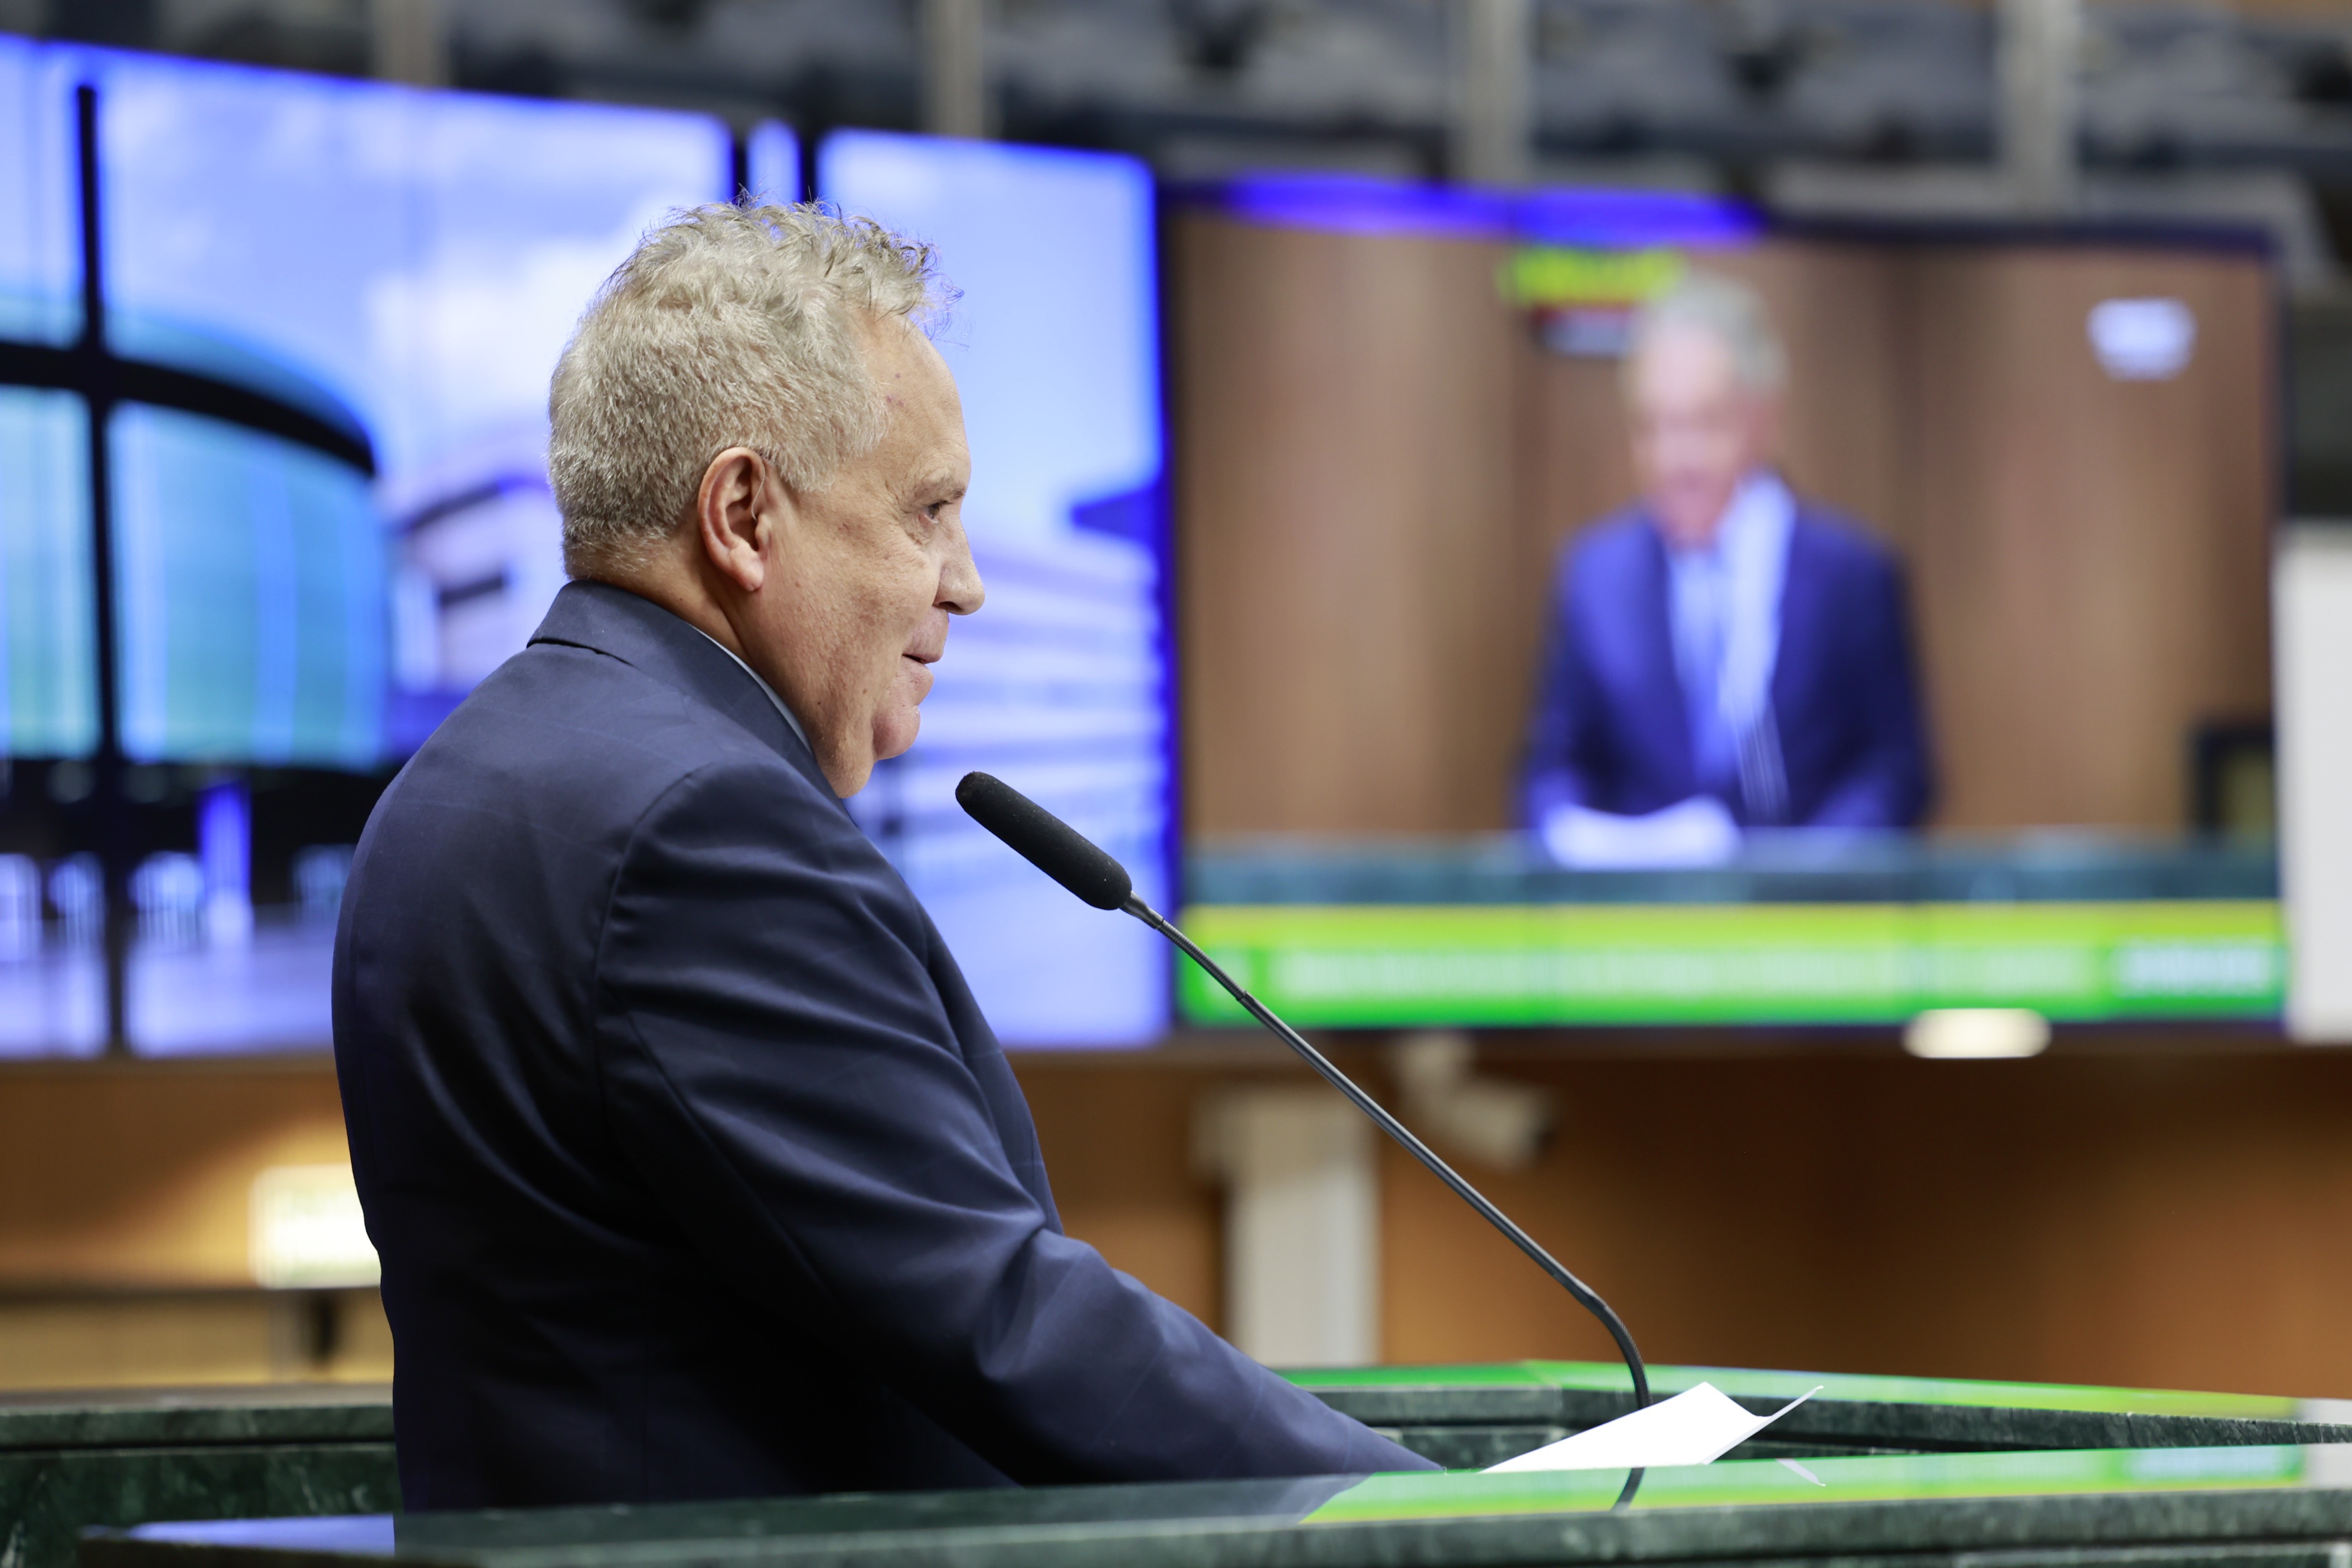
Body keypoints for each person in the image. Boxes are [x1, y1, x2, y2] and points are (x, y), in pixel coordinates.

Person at [333, 205, 1432, 1511]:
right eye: (929, 511)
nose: (964, 583)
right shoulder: (701, 828)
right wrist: (1449, 1516)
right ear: (744, 514)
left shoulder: (453, 783)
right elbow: (1004, 1319)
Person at [1521, 271, 1932, 866]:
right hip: (1641, 914)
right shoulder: (1595, 580)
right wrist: (1576, 839)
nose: (1674, 458)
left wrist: (1803, 875)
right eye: (1652, 426)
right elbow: (1551, 772)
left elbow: (1895, 776)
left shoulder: (1852, 577)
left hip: (1806, 914)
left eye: (1701, 424)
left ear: (1762, 419)